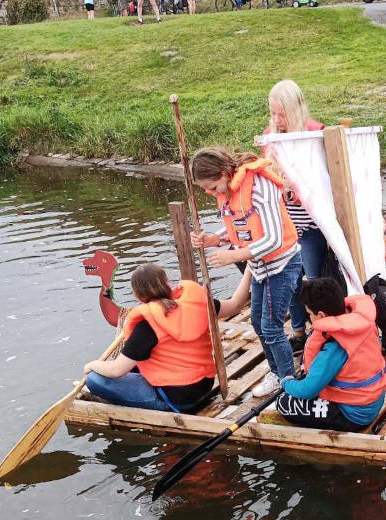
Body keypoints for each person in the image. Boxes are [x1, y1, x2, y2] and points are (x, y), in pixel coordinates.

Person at [190, 146, 303, 396]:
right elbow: (239, 228)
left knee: (271, 325)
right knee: (257, 321)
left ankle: (287, 379)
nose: (209, 193)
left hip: (282, 263)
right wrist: (213, 239)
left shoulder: (261, 186)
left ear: (224, 173)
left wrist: (235, 255)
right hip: (259, 265)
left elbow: (273, 239)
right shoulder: (230, 191)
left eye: (211, 186)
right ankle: (277, 372)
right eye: (204, 189)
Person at [83, 263, 216, 412]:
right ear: (168, 284)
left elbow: (116, 370)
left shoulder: (146, 325)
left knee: (94, 379)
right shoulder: (194, 305)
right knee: (133, 364)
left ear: (137, 296)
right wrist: (248, 272)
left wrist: (91, 365)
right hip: (204, 387)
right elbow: (235, 305)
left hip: (177, 400)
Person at [261, 79, 327, 353]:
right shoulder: (270, 136)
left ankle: (321, 331)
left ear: (295, 109)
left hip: (311, 223)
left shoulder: (316, 133)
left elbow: (325, 179)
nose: (277, 119)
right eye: (273, 113)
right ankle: (299, 331)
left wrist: (296, 188)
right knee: (289, 278)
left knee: (312, 280)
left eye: (282, 114)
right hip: (285, 223)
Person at [276, 278, 386, 430]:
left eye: (310, 314)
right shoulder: (360, 324)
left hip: (354, 415)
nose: (310, 318)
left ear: (320, 315)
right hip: (373, 400)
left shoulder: (335, 345)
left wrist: (286, 382)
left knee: (283, 402)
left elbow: (308, 390)